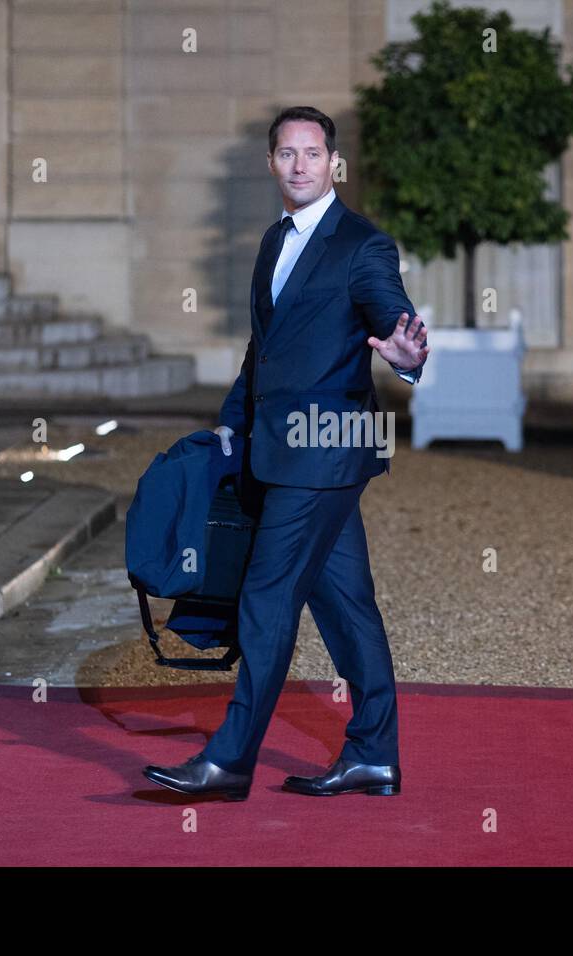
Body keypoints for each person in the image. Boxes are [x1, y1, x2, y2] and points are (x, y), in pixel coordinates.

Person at [142, 106, 429, 800]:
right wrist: (230, 427)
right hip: (283, 452)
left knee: (267, 598)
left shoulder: (362, 244)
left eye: (313, 153)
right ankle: (375, 754)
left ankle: (230, 761)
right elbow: (261, 350)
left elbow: (392, 316)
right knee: (346, 604)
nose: (300, 165)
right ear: (271, 163)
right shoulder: (275, 241)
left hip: (325, 453)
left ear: (334, 163)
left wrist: (407, 356)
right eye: (287, 154)